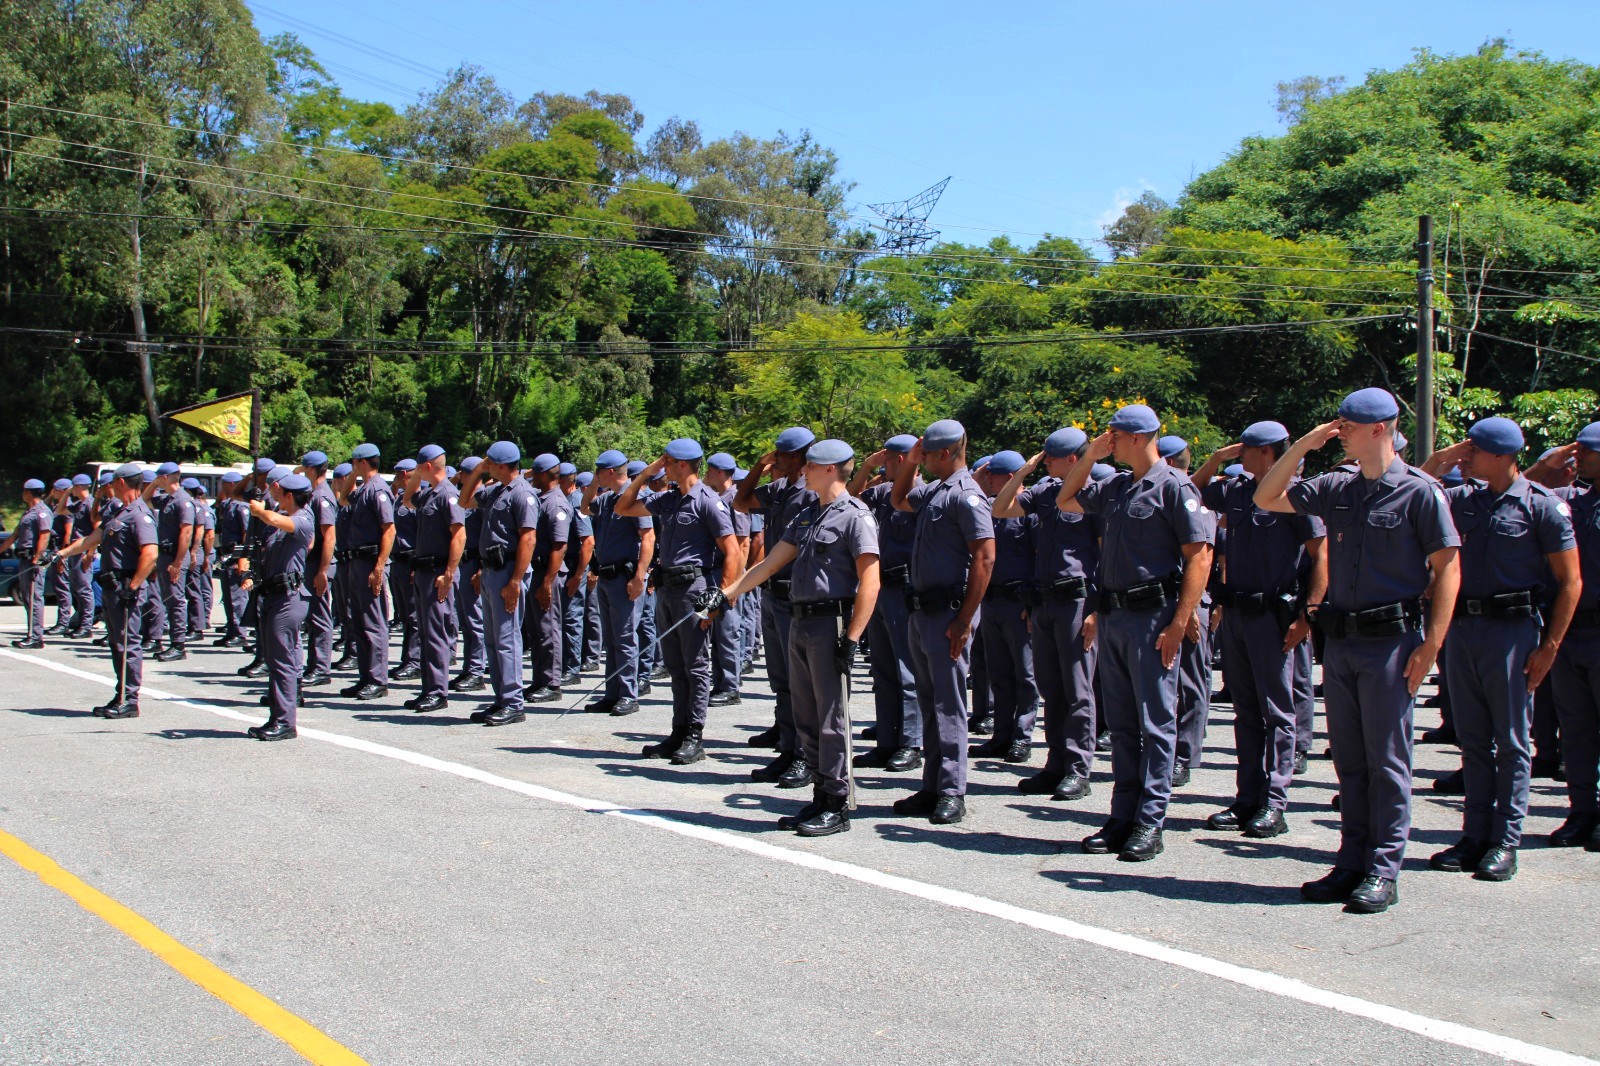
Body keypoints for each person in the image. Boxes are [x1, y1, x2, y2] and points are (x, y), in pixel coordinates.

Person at [1255, 387, 1461, 913]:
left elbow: (1447, 569)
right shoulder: (1338, 487)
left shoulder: (1420, 492)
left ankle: (1383, 869)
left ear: (1379, 429)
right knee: (1349, 760)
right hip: (1342, 643)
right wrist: (1302, 444)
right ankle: (1350, 862)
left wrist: (1432, 645)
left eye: (1348, 424)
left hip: (1392, 642)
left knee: (1387, 762)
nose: (1339, 429)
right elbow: (1267, 496)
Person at [1418, 418, 1578, 880]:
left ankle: (1505, 841)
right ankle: (1475, 834)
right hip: (1464, 630)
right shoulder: (1463, 499)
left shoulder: (1541, 506)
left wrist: (1549, 647)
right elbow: (1418, 485)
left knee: (1510, 742)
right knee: (1471, 740)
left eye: (1477, 450)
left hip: (1512, 633)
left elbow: (1570, 581)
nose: (1467, 457)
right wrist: (1449, 454)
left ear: (1505, 456)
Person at [1055, 405, 1214, 861]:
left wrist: (1179, 622)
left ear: (1139, 437)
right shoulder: (1118, 487)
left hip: (1154, 617)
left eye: (1114, 436)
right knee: (1123, 725)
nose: (1109, 441)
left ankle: (1150, 820)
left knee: (1156, 724)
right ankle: (1122, 815)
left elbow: (1199, 556)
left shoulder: (1174, 486)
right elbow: (1067, 499)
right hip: (1117, 616)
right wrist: (1089, 457)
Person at [713, 439, 880, 834]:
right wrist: (727, 594)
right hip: (800, 621)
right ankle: (819, 796)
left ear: (830, 469)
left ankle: (836, 803)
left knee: (830, 717)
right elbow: (770, 564)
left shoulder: (856, 516)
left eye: (809, 466)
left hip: (831, 623)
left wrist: (852, 638)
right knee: (805, 715)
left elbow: (870, 580)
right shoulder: (808, 514)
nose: (802, 471)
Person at [1191, 422, 1327, 839]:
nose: (1240, 454)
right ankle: (1247, 797)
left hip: (1274, 616)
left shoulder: (1296, 495)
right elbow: (1191, 491)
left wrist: (1309, 615)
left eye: (1246, 449)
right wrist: (1215, 460)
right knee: (1246, 712)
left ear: (1267, 452)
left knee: (1278, 712)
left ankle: (1275, 801)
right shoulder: (1234, 489)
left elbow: (1321, 557)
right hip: (1237, 614)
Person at [888, 419, 995, 826]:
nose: (925, 460)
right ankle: (931, 785)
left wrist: (965, 620)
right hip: (922, 611)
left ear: (946, 453)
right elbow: (898, 500)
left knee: (949, 705)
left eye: (929, 454)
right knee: (932, 702)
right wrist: (912, 463)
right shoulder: (936, 491)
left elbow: (985, 557)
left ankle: (952, 790)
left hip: (948, 613)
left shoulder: (967, 495)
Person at [991, 427, 1100, 802]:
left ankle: (1078, 768)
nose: (1045, 462)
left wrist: (1096, 611)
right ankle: (1055, 765)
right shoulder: (1044, 492)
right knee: (1052, 690)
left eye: (1050, 457)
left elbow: (1104, 553)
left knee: (1077, 691)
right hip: (1044, 602)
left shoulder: (1095, 492)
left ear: (1073, 459)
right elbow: (1000, 508)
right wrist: (1023, 472)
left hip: (1077, 602)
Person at [616, 439, 739, 764]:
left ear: (682, 465)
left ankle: (694, 736)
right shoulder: (668, 499)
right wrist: (645, 474)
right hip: (668, 589)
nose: (663, 465)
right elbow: (623, 507)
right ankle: (678, 730)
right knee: (675, 665)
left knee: (695, 665)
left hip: (694, 589)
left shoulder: (708, 502)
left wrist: (720, 598)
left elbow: (734, 552)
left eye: (666, 461)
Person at [1526, 423, 1600, 850]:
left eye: (1588, 452)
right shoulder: (1572, 501)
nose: (1579, 458)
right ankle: (1581, 812)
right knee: (1576, 730)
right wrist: (1543, 466)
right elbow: (1523, 493)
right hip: (1571, 631)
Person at [734, 426, 819, 786]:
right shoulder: (779, 489)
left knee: (800, 682)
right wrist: (758, 466)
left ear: (799, 458)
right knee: (781, 681)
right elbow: (741, 501)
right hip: (772, 593)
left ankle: (804, 756)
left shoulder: (811, 493)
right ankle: (787, 750)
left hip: (794, 594)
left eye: (782, 455)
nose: (777, 459)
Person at [55, 464, 158, 717]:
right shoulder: (119, 512)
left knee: (128, 644)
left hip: (125, 587)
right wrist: (62, 553)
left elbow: (151, 553)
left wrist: (133, 586)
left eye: (112, 482)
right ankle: (121, 694)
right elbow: (93, 538)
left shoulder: (139, 514)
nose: (108, 486)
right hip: (113, 586)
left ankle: (130, 700)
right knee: (116, 644)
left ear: (122, 482)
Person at [851, 435, 924, 773]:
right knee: (882, 670)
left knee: (907, 670)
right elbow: (847, 499)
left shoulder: (921, 493)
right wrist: (865, 467)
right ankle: (888, 741)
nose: (885, 464)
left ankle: (911, 743)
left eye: (889, 459)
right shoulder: (880, 492)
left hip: (904, 588)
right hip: (878, 588)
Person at [461, 441, 538, 726]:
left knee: (507, 640)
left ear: (502, 465)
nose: (486, 465)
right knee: (492, 640)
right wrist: (479, 471)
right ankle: (501, 698)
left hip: (508, 571)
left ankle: (514, 702)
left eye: (490, 463)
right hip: (492, 569)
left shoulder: (523, 493)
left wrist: (516, 581)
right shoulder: (496, 491)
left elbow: (528, 538)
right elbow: (465, 500)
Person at [241, 472, 315, 740]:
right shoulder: (281, 520)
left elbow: (272, 518)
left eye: (280, 490)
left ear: (290, 495)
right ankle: (277, 715)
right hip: (273, 594)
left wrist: (261, 512)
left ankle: (285, 721)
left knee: (282, 661)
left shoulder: (303, 519)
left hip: (288, 598)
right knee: (276, 660)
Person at [580, 450, 655, 716]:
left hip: (626, 577)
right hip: (607, 576)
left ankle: (628, 694)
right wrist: (593, 485)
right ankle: (612, 693)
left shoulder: (635, 498)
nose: (595, 475)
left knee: (625, 638)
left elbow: (648, 538)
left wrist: (639, 577)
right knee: (611, 639)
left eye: (598, 471)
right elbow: (584, 507)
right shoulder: (607, 499)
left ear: (610, 472)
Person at [406, 444, 466, 714]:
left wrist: (449, 573)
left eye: (419, 467)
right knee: (425, 632)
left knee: (436, 634)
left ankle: (438, 691)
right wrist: (416, 477)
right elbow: (408, 499)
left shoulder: (448, 495)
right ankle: (428, 688)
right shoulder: (429, 494)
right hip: (423, 571)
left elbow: (459, 535)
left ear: (428, 466)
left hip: (438, 573)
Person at [342, 443, 396, 700]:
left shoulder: (378, 489)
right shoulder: (364, 488)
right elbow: (343, 496)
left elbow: (389, 529)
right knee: (360, 623)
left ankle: (377, 679)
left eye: (354, 462)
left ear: (363, 462)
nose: (352, 466)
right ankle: (366, 676)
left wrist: (378, 567)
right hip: (358, 562)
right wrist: (354, 473)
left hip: (370, 562)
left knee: (374, 623)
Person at [522, 454, 571, 703]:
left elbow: (559, 546)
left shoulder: (555, 503)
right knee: (536, 630)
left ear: (543, 474)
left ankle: (552, 683)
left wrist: (547, 582)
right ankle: (539, 680)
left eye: (534, 474)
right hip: (537, 572)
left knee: (548, 630)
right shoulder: (540, 498)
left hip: (547, 574)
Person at [704, 451, 749, 706]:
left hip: (728, 573)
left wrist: (735, 585)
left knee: (728, 631)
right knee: (715, 631)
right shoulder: (715, 497)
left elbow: (743, 546)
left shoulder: (736, 499)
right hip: (713, 571)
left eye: (710, 471)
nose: (706, 475)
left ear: (720, 473)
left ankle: (730, 686)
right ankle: (719, 681)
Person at [146, 462, 195, 662]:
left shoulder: (183, 501)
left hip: (175, 556)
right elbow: (144, 499)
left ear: (166, 478)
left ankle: (178, 645)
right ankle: (174, 643)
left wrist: (177, 562)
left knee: (176, 601)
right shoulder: (167, 499)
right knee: (169, 599)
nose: (156, 481)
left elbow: (186, 533)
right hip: (165, 556)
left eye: (159, 478)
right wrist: (154, 485)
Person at [299, 451, 340, 689]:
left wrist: (323, 570)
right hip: (313, 563)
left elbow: (329, 537)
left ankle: (321, 667)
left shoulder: (322, 496)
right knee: (313, 617)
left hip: (319, 564)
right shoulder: (314, 493)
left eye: (305, 469)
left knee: (320, 616)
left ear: (312, 470)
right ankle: (315, 664)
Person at [451, 456, 490, 693]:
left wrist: (480, 569)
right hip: (464, 564)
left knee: (476, 622)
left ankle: (477, 670)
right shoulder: (468, 500)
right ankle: (469, 668)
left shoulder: (484, 499)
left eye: (461, 475)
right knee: (466, 621)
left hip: (476, 562)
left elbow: (489, 538)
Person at [3, 479, 53, 648]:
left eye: (24, 491)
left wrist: (36, 559)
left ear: (29, 492)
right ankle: (32, 632)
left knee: (34, 598)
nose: (22, 494)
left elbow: (45, 536)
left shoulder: (42, 512)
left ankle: (36, 637)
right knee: (27, 598)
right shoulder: (28, 512)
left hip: (33, 560)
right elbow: (14, 536)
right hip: (24, 559)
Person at [388, 457, 422, 683]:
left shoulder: (419, 499)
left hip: (411, 561)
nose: (398, 478)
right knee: (404, 616)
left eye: (401, 474)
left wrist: (416, 564)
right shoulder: (399, 499)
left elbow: (423, 533)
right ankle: (407, 659)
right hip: (397, 561)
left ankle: (415, 661)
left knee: (413, 616)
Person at [557, 461, 591, 686]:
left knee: (572, 618)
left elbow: (587, 543)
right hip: (568, 566)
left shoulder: (576, 501)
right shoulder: (567, 500)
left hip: (574, 567)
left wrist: (578, 575)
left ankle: (572, 667)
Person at [213, 472, 250, 646]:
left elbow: (245, 534)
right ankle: (232, 629)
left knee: (237, 596)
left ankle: (240, 633)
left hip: (236, 555)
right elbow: (220, 502)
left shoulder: (241, 507)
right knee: (228, 597)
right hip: (227, 554)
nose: (222, 487)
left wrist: (242, 559)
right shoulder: (228, 505)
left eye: (225, 484)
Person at [183, 479, 214, 641]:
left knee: (194, 591)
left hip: (197, 552)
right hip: (191, 552)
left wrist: (203, 556)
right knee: (192, 591)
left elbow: (208, 535)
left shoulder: (197, 508)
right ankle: (194, 625)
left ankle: (197, 627)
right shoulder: (192, 506)